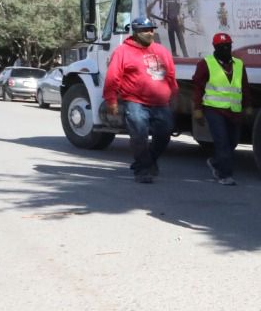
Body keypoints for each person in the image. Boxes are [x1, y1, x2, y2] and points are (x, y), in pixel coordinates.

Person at [103, 17, 176, 184]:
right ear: (135, 32)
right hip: (135, 101)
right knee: (139, 136)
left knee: (165, 134)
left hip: (161, 103)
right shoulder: (122, 51)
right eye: (145, 30)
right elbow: (113, 77)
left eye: (151, 29)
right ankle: (143, 170)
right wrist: (111, 100)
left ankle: (148, 161)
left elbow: (171, 74)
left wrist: (174, 94)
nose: (149, 33)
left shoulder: (161, 50)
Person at [192, 31, 249, 186]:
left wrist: (248, 106)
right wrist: (197, 109)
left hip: (234, 110)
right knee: (222, 141)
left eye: (227, 46)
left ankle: (215, 162)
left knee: (233, 141)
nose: (225, 48)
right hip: (213, 109)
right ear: (214, 47)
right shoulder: (205, 64)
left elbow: (244, 87)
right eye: (221, 46)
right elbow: (198, 88)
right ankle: (225, 175)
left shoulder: (239, 64)